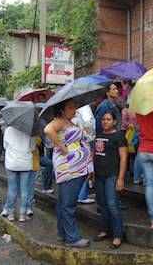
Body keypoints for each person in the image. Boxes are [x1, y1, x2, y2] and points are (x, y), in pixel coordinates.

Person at [44, 99, 94, 248]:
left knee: (64, 202)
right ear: (61, 110)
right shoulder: (60, 121)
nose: (74, 110)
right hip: (70, 169)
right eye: (70, 108)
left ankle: (63, 232)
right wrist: (62, 147)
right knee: (68, 204)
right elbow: (47, 130)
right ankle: (72, 238)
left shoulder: (70, 122)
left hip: (77, 168)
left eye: (74, 107)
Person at [93, 111, 128, 249]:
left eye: (108, 119)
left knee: (112, 205)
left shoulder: (119, 136)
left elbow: (124, 158)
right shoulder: (100, 135)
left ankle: (118, 235)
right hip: (99, 175)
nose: (105, 122)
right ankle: (105, 230)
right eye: (103, 119)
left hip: (112, 175)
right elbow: (95, 153)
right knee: (102, 205)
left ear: (114, 121)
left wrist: (120, 178)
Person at [1, 125, 36, 222]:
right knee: (24, 189)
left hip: (12, 163)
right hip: (25, 163)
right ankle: (22, 214)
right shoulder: (29, 130)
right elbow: (32, 148)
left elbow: (5, 146)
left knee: (12, 189)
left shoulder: (8, 130)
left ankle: (11, 213)